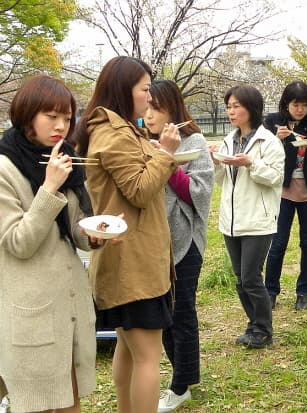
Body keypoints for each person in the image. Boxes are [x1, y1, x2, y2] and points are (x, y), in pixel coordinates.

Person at [73, 56, 181, 413]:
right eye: (145, 90)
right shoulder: (114, 133)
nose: (149, 99)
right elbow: (139, 190)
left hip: (126, 259)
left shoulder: (114, 128)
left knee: (128, 347)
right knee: (149, 355)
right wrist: (165, 153)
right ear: (124, 89)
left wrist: (154, 152)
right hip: (133, 263)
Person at [0, 75, 97, 412]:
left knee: (70, 403)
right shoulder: (4, 167)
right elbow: (18, 242)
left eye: (67, 118)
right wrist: (49, 189)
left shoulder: (61, 157)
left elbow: (72, 229)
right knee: (37, 405)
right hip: (30, 310)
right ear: (28, 115)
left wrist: (94, 234)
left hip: (66, 306)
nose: (61, 126)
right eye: (51, 116)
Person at [144, 80, 214, 412]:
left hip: (185, 241)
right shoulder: (145, 142)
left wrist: (169, 158)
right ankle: (179, 377)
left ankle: (181, 385)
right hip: (156, 242)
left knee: (181, 313)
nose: (149, 114)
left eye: (155, 107)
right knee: (165, 314)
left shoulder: (195, 141)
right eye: (146, 106)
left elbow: (197, 193)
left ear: (172, 107)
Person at [209, 85, 285, 349]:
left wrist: (251, 163)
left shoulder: (269, 141)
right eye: (228, 106)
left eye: (236, 106)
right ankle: (254, 325)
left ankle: (263, 329)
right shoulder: (229, 140)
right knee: (241, 280)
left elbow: (275, 178)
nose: (231, 111)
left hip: (258, 220)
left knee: (251, 277)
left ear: (251, 108)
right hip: (232, 219)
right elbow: (222, 182)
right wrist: (217, 162)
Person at [263, 80, 307, 310]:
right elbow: (263, 152)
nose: (300, 109)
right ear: (286, 104)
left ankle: (303, 292)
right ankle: (270, 291)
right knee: (278, 243)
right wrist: (276, 139)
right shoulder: (273, 122)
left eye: (304, 105)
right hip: (283, 191)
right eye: (295, 105)